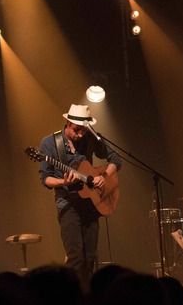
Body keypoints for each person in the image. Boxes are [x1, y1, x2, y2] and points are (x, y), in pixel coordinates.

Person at [38, 104, 122, 289]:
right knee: (75, 257)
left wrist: (103, 176)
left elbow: (116, 159)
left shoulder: (90, 138)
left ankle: (89, 299)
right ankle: (72, 300)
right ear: (67, 123)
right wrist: (64, 183)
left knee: (90, 258)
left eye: (83, 131)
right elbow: (46, 179)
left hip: (91, 203)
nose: (80, 135)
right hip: (67, 203)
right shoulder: (50, 143)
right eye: (77, 130)